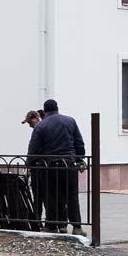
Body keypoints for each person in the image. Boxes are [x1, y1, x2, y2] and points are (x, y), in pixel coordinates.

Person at [31, 98, 86, 236]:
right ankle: (77, 227)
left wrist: (30, 164)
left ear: (45, 111)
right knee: (72, 196)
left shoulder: (41, 126)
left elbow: (33, 149)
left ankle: (52, 226)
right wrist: (80, 158)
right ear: (57, 108)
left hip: (50, 167)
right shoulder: (70, 121)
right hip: (68, 165)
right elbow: (79, 143)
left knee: (51, 197)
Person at [23, 109, 47, 229]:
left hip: (39, 167)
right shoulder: (44, 128)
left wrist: (28, 165)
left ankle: (39, 222)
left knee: (39, 196)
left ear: (36, 118)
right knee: (44, 196)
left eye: (30, 122)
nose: (29, 126)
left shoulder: (39, 129)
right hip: (44, 167)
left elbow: (32, 150)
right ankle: (48, 222)